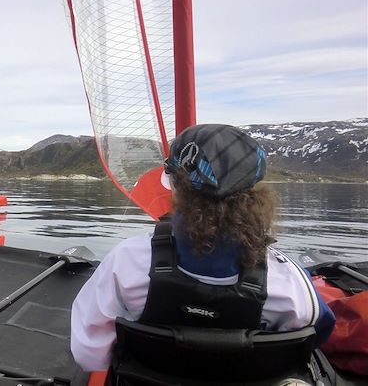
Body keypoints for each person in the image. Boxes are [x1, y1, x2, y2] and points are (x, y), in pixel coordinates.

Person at [70, 124, 336, 372]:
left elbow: (89, 353)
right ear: (254, 190)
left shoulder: (126, 261)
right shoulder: (289, 281)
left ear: (176, 186)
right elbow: (314, 336)